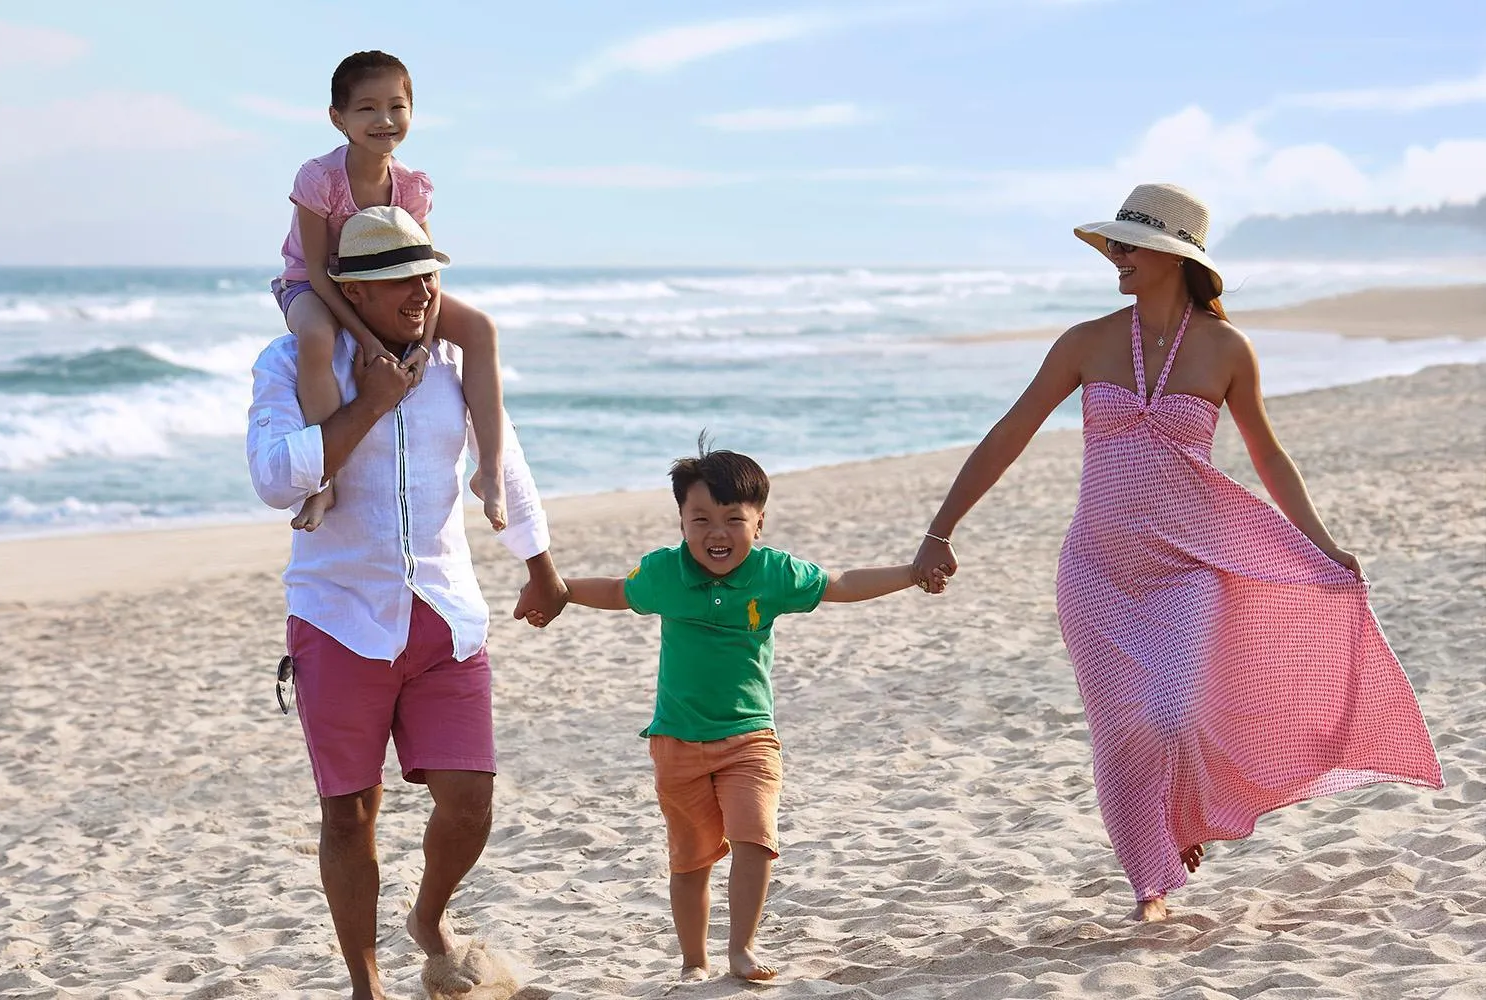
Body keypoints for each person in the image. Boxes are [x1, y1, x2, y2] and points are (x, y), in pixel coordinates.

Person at [911, 183, 1444, 922]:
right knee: (1123, 734)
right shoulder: (1085, 342)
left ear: (1172, 255)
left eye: (1129, 245)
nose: (1115, 256)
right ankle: (1150, 887)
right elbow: (1010, 433)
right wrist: (941, 529)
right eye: (1114, 244)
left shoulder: (1227, 349)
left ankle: (1182, 817)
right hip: (1096, 570)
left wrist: (1322, 544)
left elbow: (1268, 455)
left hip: (1190, 568)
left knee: (1173, 713)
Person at [247, 205, 569, 999]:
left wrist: (539, 564)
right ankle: (368, 984)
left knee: (470, 802)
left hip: (446, 618)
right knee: (350, 814)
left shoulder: (456, 367)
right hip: (338, 619)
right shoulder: (290, 364)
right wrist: (369, 403)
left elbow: (505, 460)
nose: (422, 292)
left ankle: (428, 918)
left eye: (427, 275)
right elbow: (274, 477)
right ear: (352, 292)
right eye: (399, 280)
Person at [524, 438, 949, 982]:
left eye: (733, 519)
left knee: (755, 839)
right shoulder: (664, 573)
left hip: (749, 737)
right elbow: (615, 592)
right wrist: (557, 592)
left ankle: (742, 948)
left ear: (759, 523)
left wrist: (912, 572)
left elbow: (841, 583)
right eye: (700, 519)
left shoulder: (774, 574)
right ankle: (693, 961)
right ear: (681, 522)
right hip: (676, 742)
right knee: (691, 860)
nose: (716, 533)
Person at [271, 49, 508, 534]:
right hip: (314, 286)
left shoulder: (411, 186)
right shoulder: (319, 178)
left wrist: (423, 343)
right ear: (338, 118)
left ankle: (491, 472)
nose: (384, 120)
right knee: (316, 338)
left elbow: (427, 268)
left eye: (397, 106)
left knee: (481, 328)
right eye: (367, 108)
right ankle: (324, 481)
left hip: (387, 288)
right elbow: (315, 270)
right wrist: (367, 339)